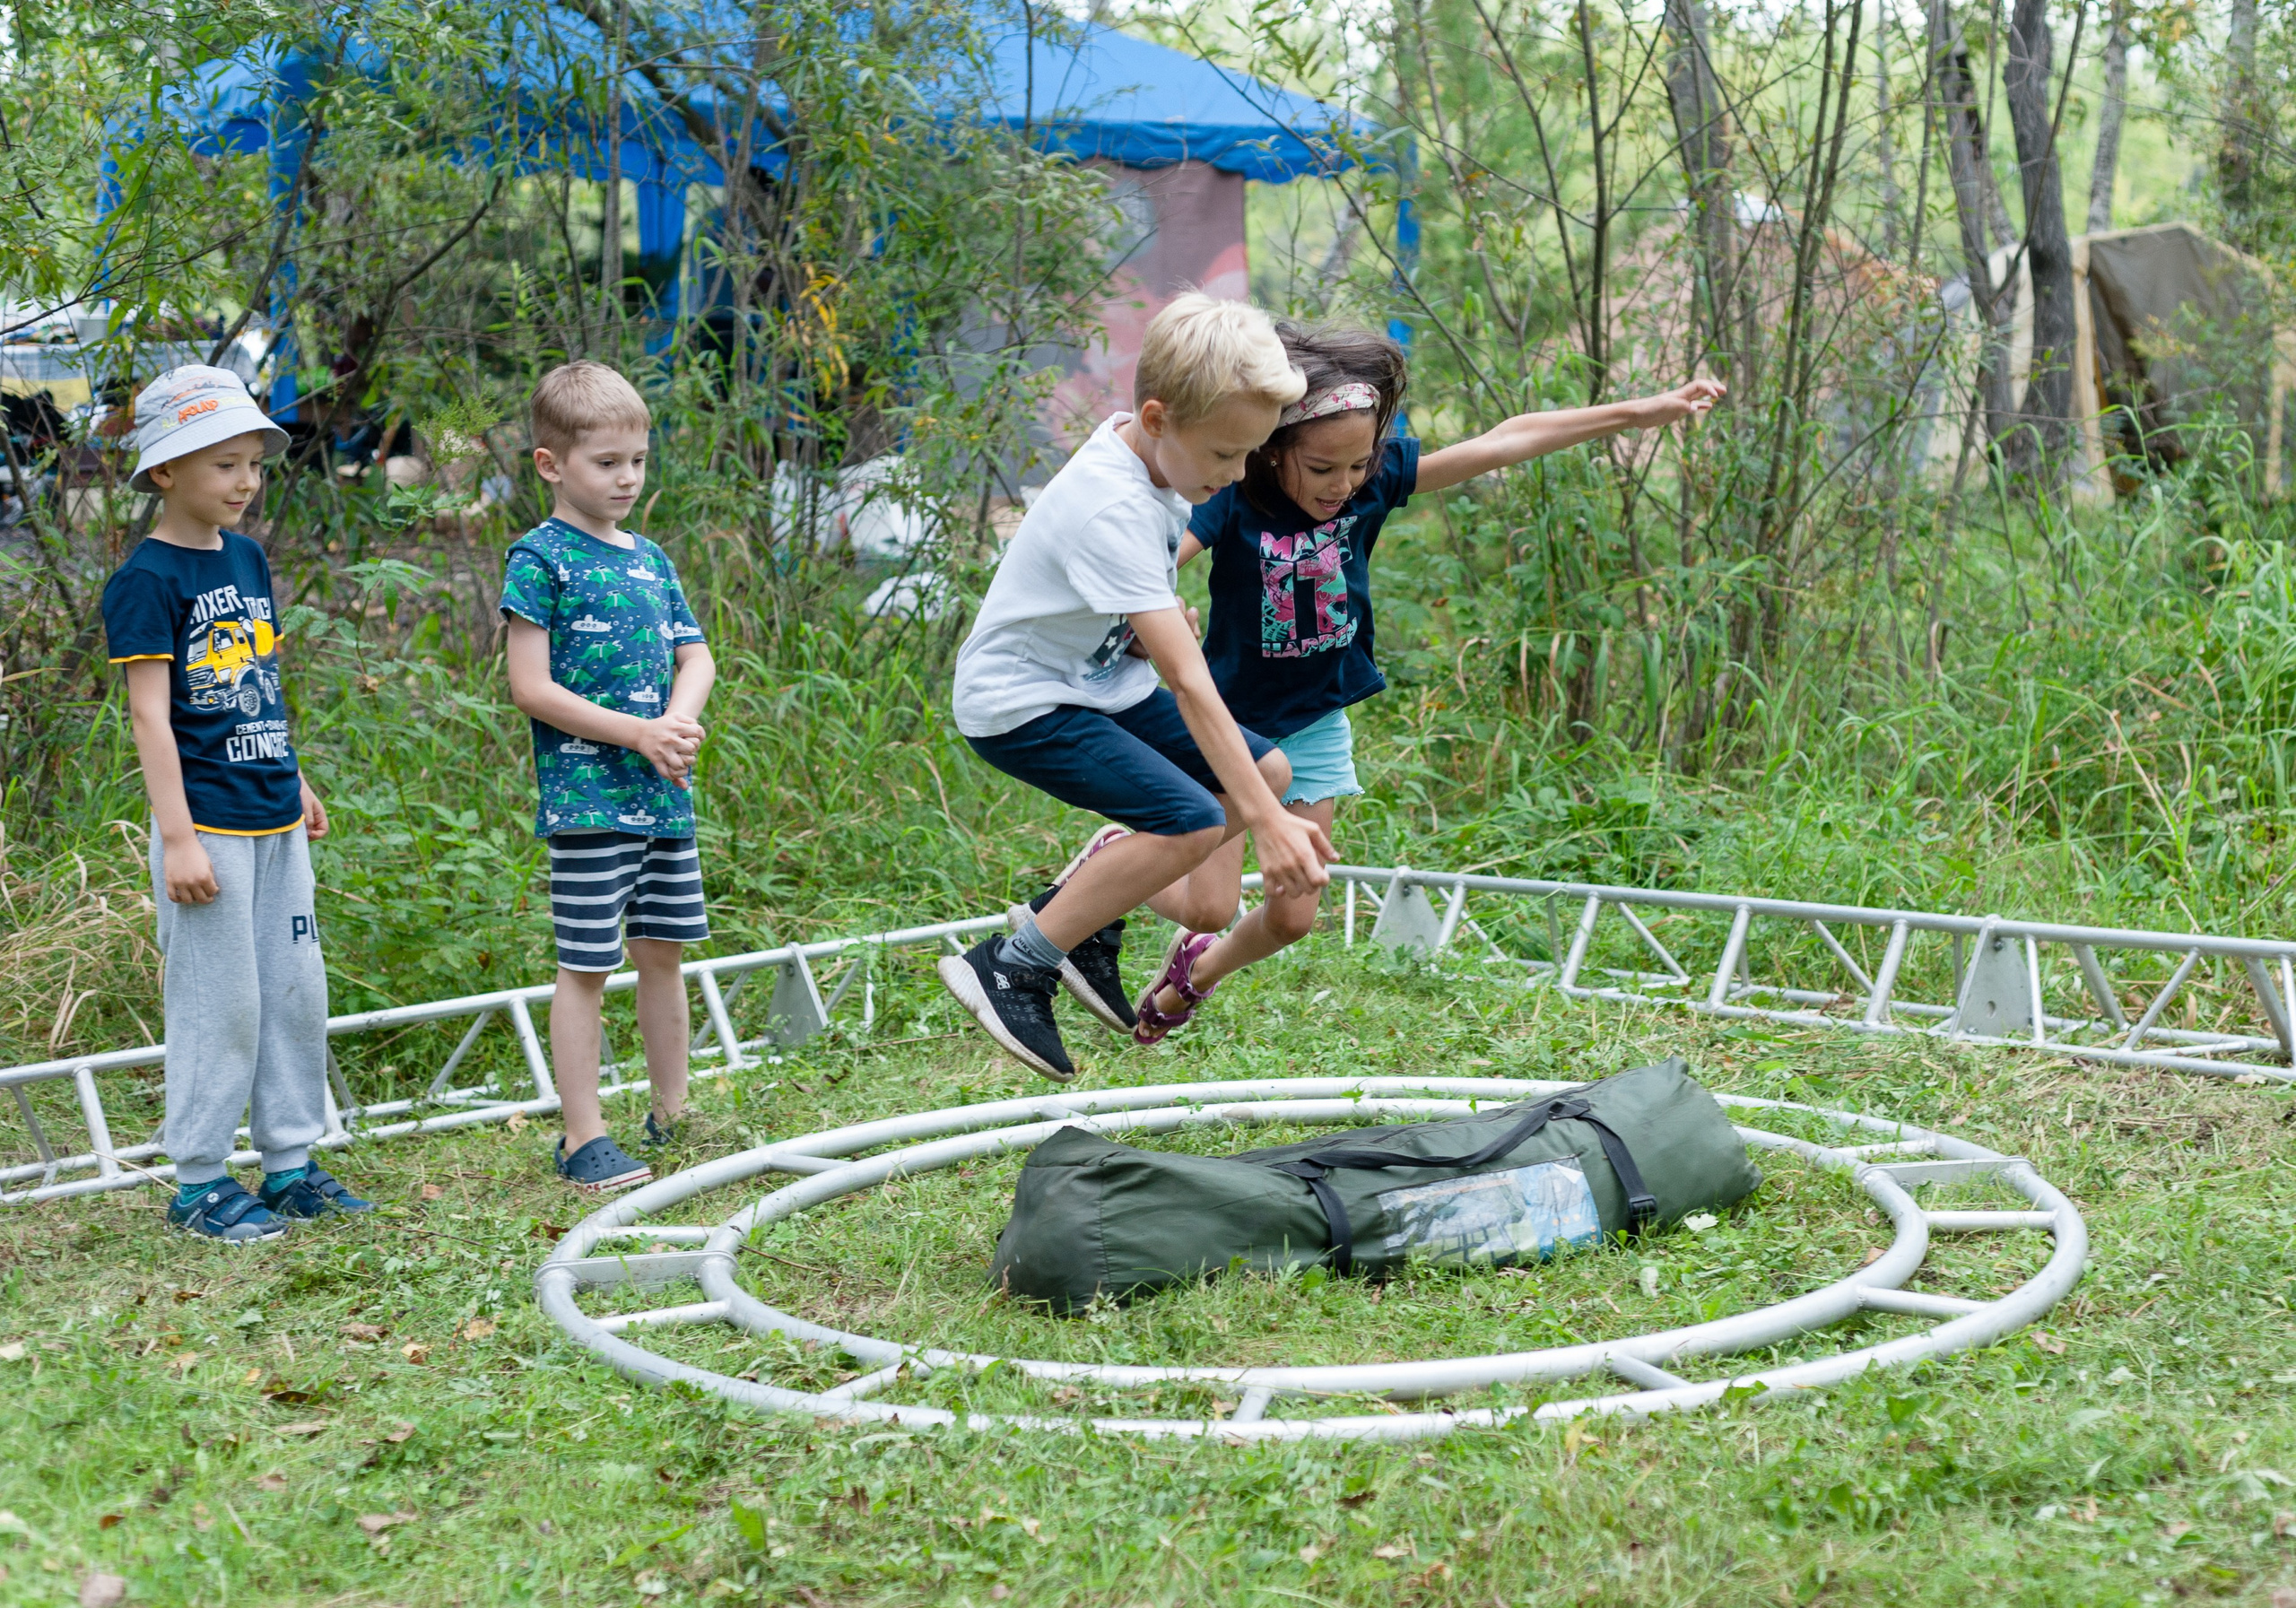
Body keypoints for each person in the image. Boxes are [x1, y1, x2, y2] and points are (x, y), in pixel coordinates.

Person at [1133, 323, 1726, 1039]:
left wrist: (1640, 412)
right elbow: (1148, 568)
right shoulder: (1235, 497)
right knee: (1209, 905)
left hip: (1317, 720)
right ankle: (1114, 860)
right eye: (1322, 468)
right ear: (1274, 447)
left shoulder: (1373, 484)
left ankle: (1195, 973)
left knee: (1293, 918)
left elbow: (1505, 441)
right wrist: (1165, 613)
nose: (1343, 485)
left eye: (1358, 466)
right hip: (1235, 726)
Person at [939, 294, 1335, 1081]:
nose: (1235, 474)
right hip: (1022, 703)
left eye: (1248, 454)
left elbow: (1118, 596)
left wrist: (1143, 615)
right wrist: (1268, 827)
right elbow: (1188, 680)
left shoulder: (1154, 457)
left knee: (1268, 770)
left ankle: (1082, 918)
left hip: (1099, 680)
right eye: (1226, 454)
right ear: (1157, 418)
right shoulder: (1112, 503)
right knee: (1193, 821)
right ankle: (1013, 965)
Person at [101, 365, 374, 1241]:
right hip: (207, 826)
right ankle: (199, 1179)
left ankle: (289, 1162)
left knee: (293, 993)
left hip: (273, 813)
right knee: (221, 1003)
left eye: (253, 463)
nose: (246, 481)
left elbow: (256, 681)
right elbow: (151, 716)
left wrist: (295, 777)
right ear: (164, 470)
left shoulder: (248, 558)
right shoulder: (145, 579)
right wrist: (178, 838)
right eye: (224, 464)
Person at [499, 361, 716, 1192]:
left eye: (638, 461)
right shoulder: (540, 558)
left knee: (664, 953)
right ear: (551, 465)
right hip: (589, 802)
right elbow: (531, 687)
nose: (627, 478)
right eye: (607, 462)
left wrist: (677, 723)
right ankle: (583, 1135)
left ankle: (673, 1112)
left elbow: (695, 655)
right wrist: (639, 732)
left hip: (663, 797)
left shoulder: (651, 559)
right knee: (586, 965)